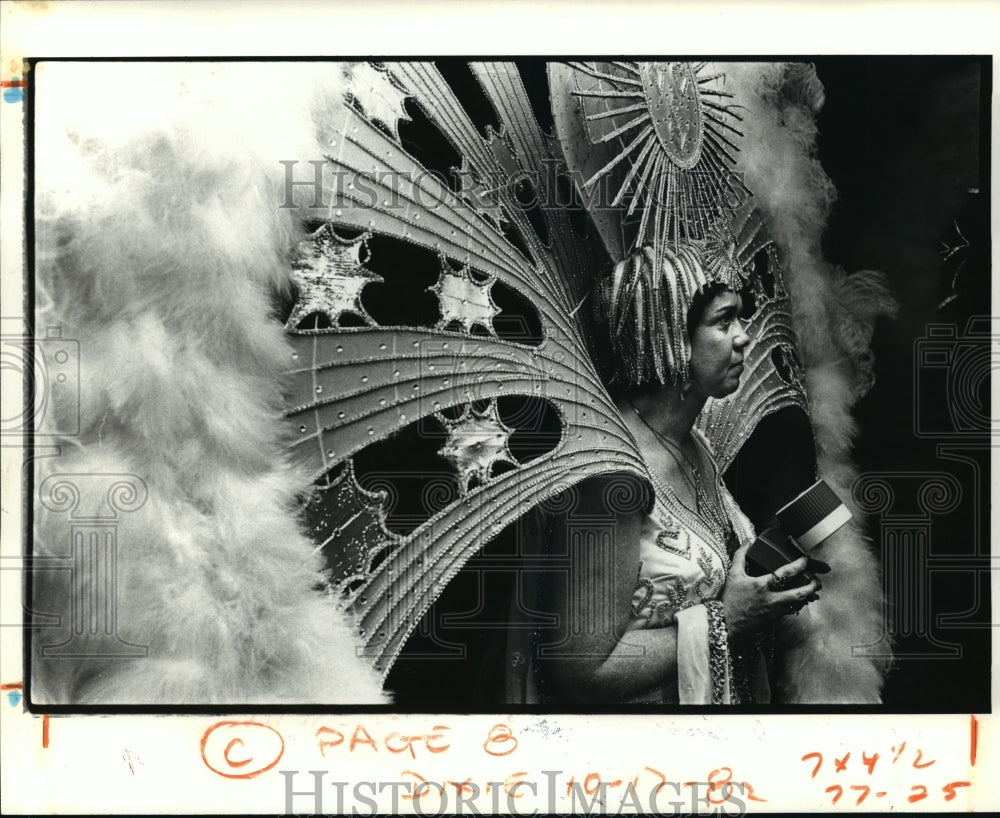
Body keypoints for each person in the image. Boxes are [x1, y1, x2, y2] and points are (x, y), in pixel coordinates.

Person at [527, 256, 823, 705]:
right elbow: (583, 669)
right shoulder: (614, 473)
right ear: (668, 333)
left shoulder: (694, 442)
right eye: (724, 321)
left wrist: (759, 576)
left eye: (741, 317)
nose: (745, 337)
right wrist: (728, 618)